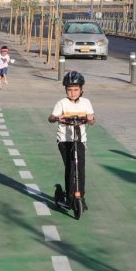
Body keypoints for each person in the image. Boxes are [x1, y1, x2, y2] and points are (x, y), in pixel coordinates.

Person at [48, 71, 96, 210]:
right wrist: (58, 118)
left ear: (81, 90)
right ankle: (70, 198)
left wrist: (91, 119)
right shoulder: (61, 103)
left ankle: (80, 196)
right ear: (65, 90)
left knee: (79, 169)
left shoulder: (86, 102)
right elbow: (50, 118)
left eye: (76, 89)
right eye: (69, 90)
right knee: (70, 168)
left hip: (80, 140)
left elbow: (92, 120)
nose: (72, 93)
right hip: (64, 139)